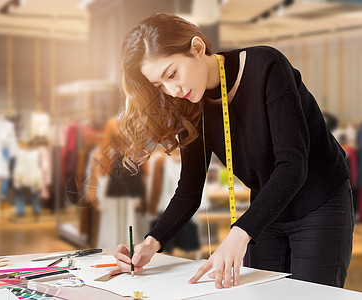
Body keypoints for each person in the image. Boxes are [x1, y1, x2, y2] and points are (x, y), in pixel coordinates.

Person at [110, 12, 354, 289]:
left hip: (319, 201)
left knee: (312, 297)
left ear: (197, 48)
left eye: (172, 74)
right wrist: (150, 244)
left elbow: (292, 165)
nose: (172, 90)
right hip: (269, 209)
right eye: (160, 85)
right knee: (263, 296)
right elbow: (190, 189)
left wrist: (239, 233)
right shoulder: (191, 104)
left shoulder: (267, 66)